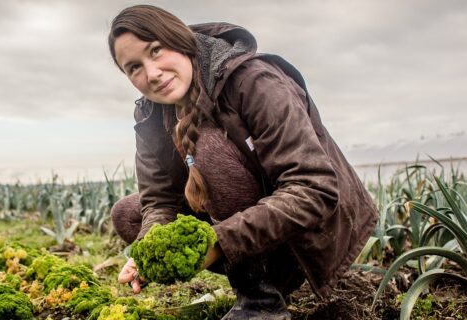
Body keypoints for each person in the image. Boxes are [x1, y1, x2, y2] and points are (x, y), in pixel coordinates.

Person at [108, 5, 378, 319]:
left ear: (180, 40)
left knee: (208, 148)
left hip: (308, 235)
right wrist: (148, 252)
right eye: (134, 68)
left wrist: (217, 243)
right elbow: (159, 198)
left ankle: (260, 300)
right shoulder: (151, 113)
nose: (152, 74)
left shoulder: (253, 80)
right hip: (250, 238)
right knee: (130, 215)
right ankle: (256, 284)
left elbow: (313, 189)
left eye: (156, 51)